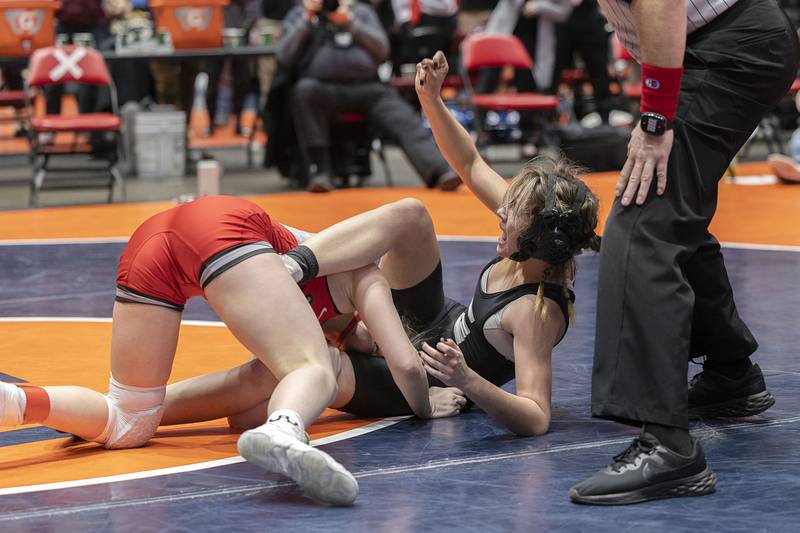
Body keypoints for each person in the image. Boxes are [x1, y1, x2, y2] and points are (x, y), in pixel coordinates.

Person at [0, 195, 458, 505]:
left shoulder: (306, 328)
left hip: (156, 240)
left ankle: (20, 403)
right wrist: (423, 406)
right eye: (379, 336)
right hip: (223, 230)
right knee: (312, 366)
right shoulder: (364, 275)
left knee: (129, 421)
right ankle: (286, 431)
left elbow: (240, 416)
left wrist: (270, 403)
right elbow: (404, 363)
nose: (372, 344)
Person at [569, 0, 800, 505]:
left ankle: (667, 449)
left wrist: (655, 118)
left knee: (642, 222)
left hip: (727, 45)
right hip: (722, 43)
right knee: (671, 206)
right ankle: (730, 373)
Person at [278, 0, 460, 192]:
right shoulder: (301, 12)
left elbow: (383, 50)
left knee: (399, 112)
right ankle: (320, 173)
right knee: (304, 92)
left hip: (367, 87)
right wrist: (306, 19)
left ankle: (439, 169)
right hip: (321, 88)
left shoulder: (361, 12)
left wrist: (350, 23)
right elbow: (284, 55)